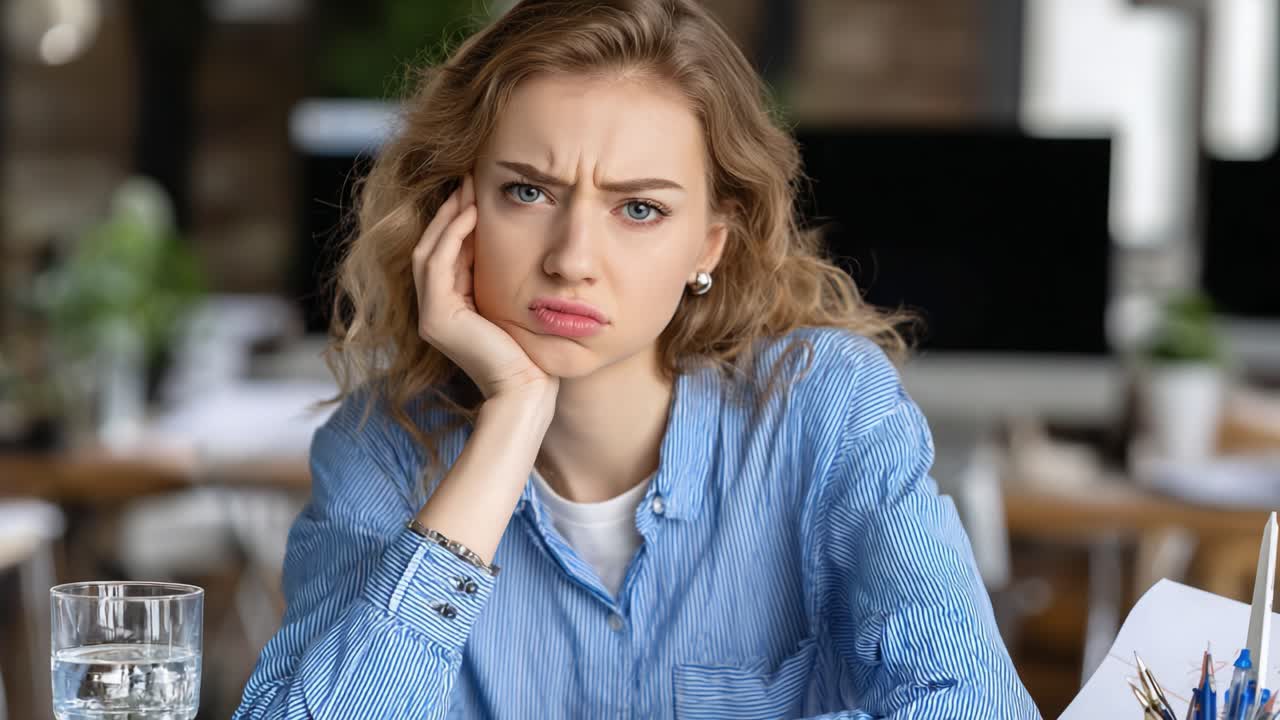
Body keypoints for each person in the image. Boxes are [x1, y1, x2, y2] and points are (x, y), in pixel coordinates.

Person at [234, 0, 1040, 717]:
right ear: (456, 207)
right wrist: (512, 415)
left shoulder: (823, 409)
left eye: (641, 208)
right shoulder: (379, 443)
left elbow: (976, 703)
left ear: (708, 245)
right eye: (528, 191)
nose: (572, 257)